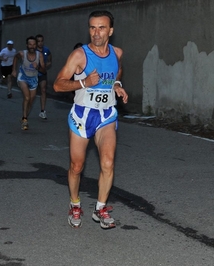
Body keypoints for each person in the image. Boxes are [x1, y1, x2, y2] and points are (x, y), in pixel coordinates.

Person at [53, 10, 128, 229]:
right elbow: (58, 84)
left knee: (108, 162)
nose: (96, 33)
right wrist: (84, 82)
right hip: (82, 115)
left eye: (101, 27)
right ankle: (74, 203)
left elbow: (117, 70)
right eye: (92, 27)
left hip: (106, 115)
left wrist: (116, 85)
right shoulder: (80, 55)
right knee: (77, 166)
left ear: (110, 31)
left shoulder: (117, 52)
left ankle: (100, 208)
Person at [11, 36, 46, 130]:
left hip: (34, 79)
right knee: (27, 97)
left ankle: (24, 116)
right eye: (30, 44)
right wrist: (14, 70)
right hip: (23, 77)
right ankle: (25, 119)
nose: (32, 46)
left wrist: (37, 67)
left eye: (34, 44)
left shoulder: (40, 55)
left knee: (31, 100)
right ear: (27, 45)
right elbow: (15, 58)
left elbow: (44, 70)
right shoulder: (22, 54)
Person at [35, 34, 52, 119]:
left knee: (43, 90)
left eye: (42, 41)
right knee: (32, 94)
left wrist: (47, 64)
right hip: (33, 74)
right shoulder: (33, 51)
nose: (40, 43)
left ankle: (42, 111)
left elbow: (50, 60)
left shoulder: (46, 50)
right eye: (38, 41)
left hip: (42, 73)